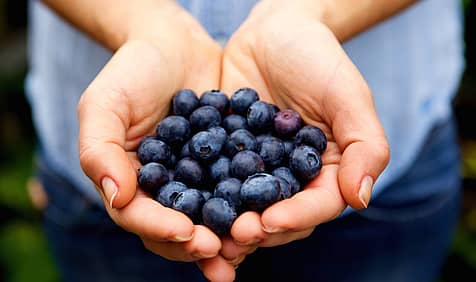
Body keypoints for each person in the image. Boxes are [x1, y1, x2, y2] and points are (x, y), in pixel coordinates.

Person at [26, 0, 464, 281]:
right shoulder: (191, 148)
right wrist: (142, 22)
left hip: (393, 160)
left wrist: (314, 13)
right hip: (104, 180)